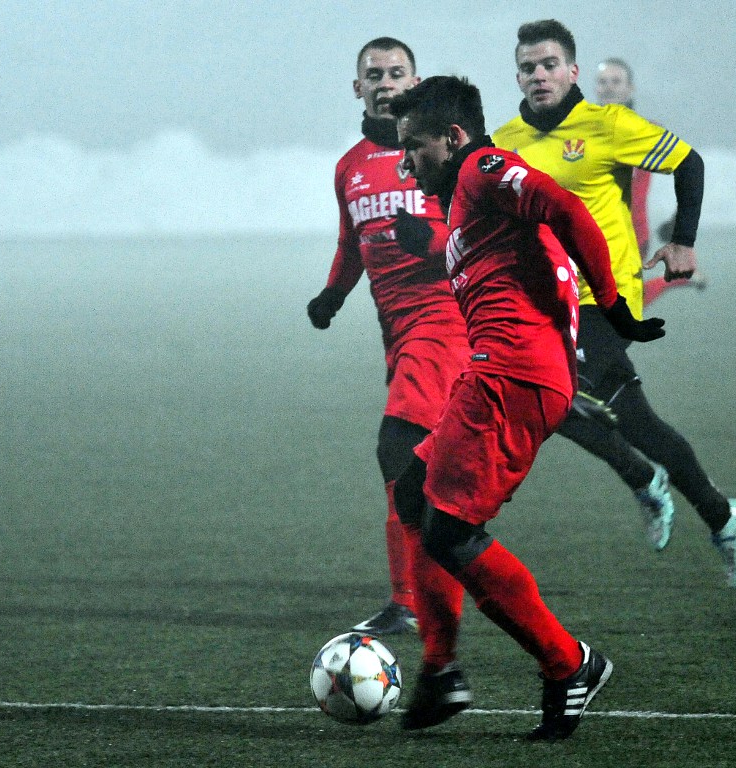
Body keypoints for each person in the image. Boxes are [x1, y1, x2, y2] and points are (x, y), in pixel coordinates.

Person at [389, 75, 665, 739]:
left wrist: (616, 309)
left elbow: (566, 210)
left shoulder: (483, 168)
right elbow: (514, 258)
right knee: (412, 493)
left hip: (513, 375)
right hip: (504, 372)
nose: (407, 164)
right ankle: (440, 669)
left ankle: (568, 663)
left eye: (415, 147)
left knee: (451, 531)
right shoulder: (467, 202)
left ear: (454, 136)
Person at [493, 20, 736, 589]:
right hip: (544, 300)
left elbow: (689, 163)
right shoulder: (505, 142)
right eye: (529, 67)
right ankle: (703, 506)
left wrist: (683, 241)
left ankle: (664, 489)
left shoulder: (608, 125)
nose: (539, 75)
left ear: (571, 71)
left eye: (550, 64)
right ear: (517, 77)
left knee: (582, 397)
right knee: (560, 407)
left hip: (603, 296)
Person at [306, 38, 471, 635]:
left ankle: (409, 602)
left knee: (396, 449)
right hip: (398, 334)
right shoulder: (349, 167)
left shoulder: (440, 151)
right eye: (373, 75)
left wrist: (431, 242)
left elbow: (479, 229)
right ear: (358, 87)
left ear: (414, 82)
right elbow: (351, 242)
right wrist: (333, 294)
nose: (385, 83)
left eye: (396, 73)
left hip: (444, 321)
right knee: (431, 468)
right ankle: (445, 579)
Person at [594, 57, 708, 307]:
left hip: (632, 235)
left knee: (615, 306)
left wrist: (680, 222)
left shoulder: (649, 131)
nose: (609, 87)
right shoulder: (582, 132)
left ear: (630, 88)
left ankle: (678, 279)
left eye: (616, 81)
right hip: (591, 233)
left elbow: (688, 169)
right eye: (603, 81)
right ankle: (679, 279)